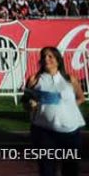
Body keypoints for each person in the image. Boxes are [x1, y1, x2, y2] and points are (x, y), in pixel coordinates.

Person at [23, 46, 85, 176]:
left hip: (70, 133)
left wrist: (67, 107)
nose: (46, 59)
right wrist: (30, 105)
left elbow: (80, 98)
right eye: (44, 56)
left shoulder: (70, 79)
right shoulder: (34, 79)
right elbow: (25, 103)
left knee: (71, 170)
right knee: (46, 170)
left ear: (58, 60)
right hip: (43, 132)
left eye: (50, 56)